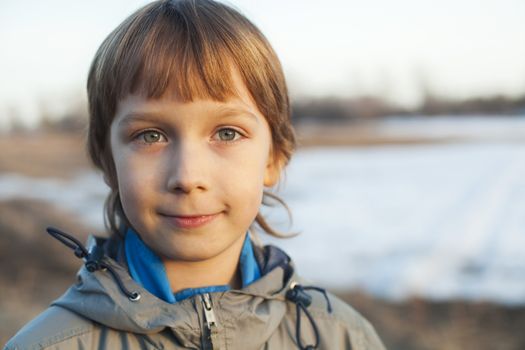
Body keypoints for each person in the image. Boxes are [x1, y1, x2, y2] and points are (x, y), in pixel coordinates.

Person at [5, 1, 385, 349]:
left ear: (274, 158)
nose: (187, 176)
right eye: (150, 135)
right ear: (109, 164)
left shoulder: (341, 337)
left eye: (227, 133)